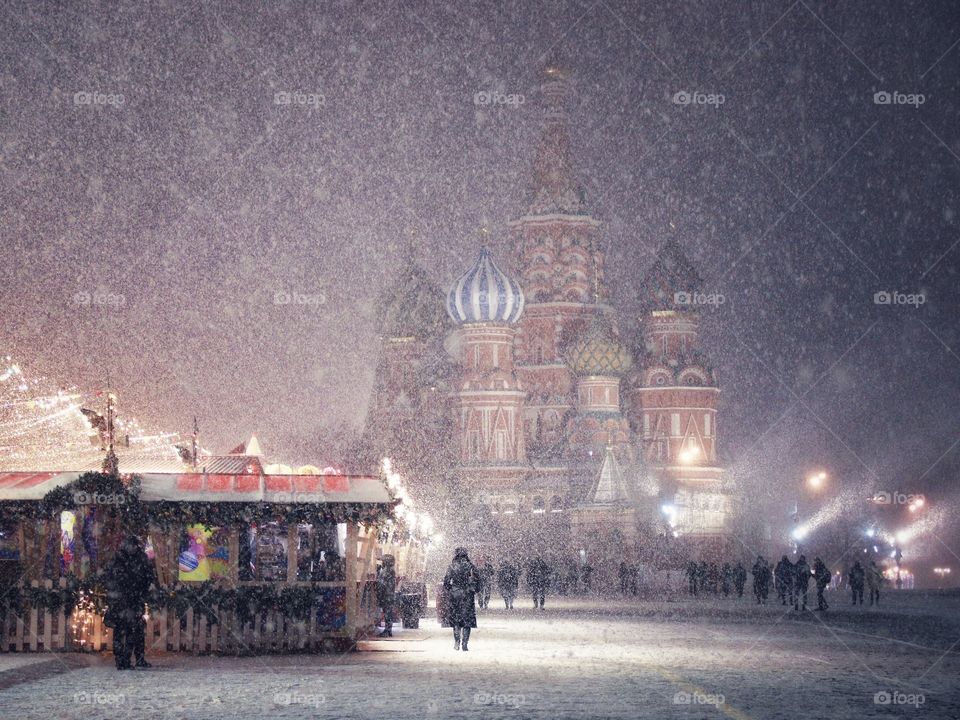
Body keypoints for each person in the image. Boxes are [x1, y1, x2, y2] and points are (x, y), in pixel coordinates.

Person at [104, 535, 153, 670]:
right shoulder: (124, 560)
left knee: (131, 630)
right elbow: (146, 576)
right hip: (126, 599)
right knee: (127, 630)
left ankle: (129, 659)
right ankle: (124, 660)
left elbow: (147, 576)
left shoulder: (125, 559)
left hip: (129, 599)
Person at [442, 547, 480, 651]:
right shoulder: (471, 566)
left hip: (455, 595)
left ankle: (457, 642)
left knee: (456, 620)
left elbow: (446, 582)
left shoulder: (452, 566)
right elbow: (478, 581)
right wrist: (474, 590)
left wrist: (452, 589)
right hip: (468, 594)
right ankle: (465, 643)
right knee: (467, 620)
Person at [375, 554, 397, 637]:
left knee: (387, 613)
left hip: (387, 596)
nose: (382, 563)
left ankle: (387, 631)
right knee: (388, 613)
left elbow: (382, 584)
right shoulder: (389, 570)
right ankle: (388, 630)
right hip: (389, 595)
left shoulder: (386, 571)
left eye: (383, 561)